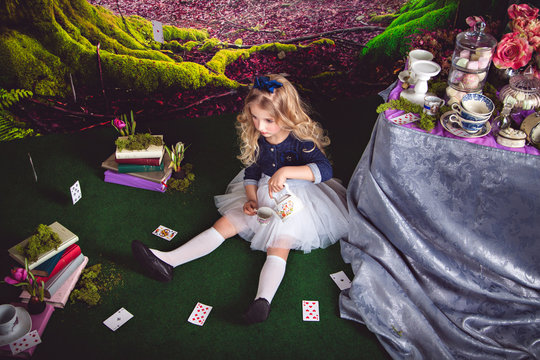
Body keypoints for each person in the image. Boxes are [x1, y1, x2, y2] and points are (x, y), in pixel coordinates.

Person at [132, 74, 348, 324]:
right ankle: (168, 261)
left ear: (287, 115)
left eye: (268, 120)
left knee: (278, 245)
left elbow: (324, 170)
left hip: (299, 200)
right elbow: (253, 172)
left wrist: (287, 171)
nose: (260, 126)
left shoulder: (300, 141)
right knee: (225, 224)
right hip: (264, 192)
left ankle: (262, 301)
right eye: (255, 118)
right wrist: (251, 198)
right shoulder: (260, 138)